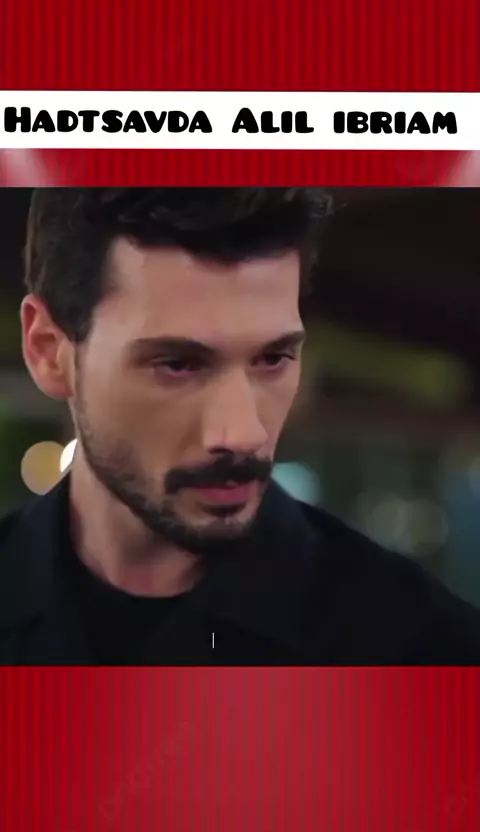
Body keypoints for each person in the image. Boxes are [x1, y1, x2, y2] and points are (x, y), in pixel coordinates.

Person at [1, 187, 479, 666]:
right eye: (178, 365)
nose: (243, 434)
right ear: (49, 351)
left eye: (273, 359)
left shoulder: (424, 648)